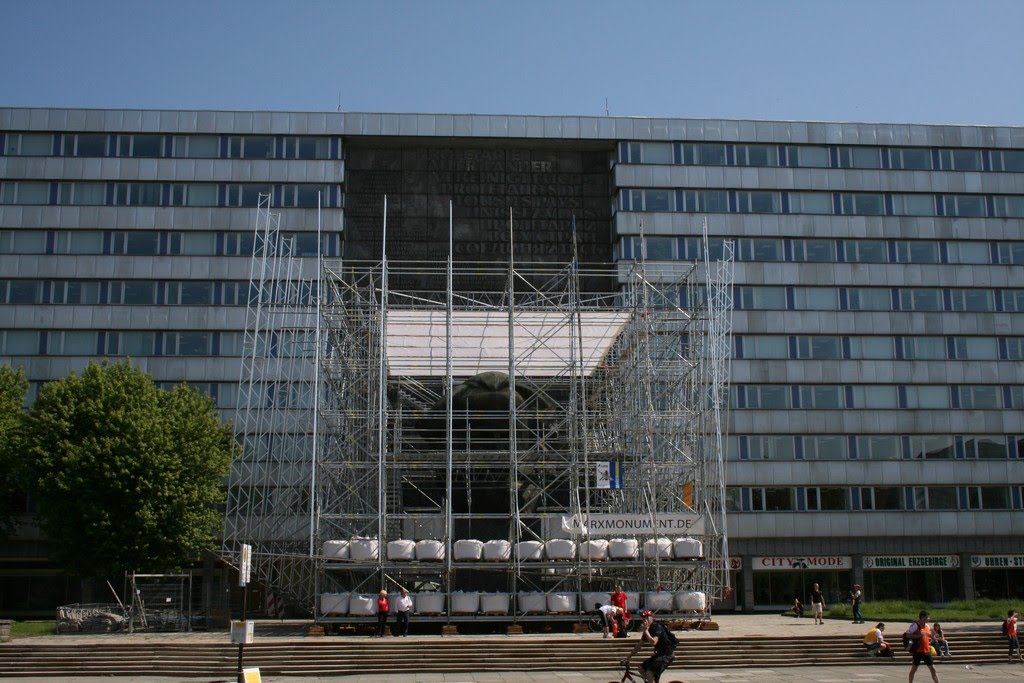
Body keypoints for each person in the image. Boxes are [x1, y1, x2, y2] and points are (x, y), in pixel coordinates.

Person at [624, 609, 678, 683]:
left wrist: (646, 631)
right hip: (659, 654)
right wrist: (628, 657)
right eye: (643, 618)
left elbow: (653, 642)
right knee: (641, 668)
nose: (645, 620)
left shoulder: (657, 627)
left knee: (649, 672)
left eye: (647, 618)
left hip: (667, 654)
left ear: (652, 618)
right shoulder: (647, 629)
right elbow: (639, 645)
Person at [905, 610, 939, 683]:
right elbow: (907, 635)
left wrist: (933, 637)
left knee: (933, 669)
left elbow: (928, 635)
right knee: (914, 669)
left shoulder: (927, 626)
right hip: (918, 651)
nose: (929, 619)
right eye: (927, 617)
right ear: (923, 617)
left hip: (926, 651)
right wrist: (918, 636)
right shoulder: (915, 625)